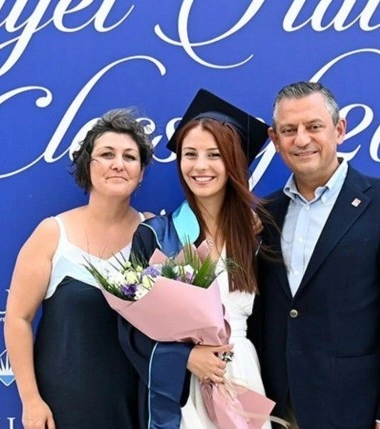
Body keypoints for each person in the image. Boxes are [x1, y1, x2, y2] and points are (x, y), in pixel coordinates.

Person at [252, 82, 380, 429]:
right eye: (289, 130)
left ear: (340, 129)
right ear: (274, 139)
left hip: (355, 411)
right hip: (278, 411)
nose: (301, 139)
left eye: (314, 126)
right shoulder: (267, 213)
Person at [123, 89, 273, 428]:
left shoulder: (258, 236)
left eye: (214, 155)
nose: (200, 166)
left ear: (234, 162)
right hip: (182, 390)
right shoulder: (157, 236)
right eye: (190, 154)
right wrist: (186, 356)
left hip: (242, 380)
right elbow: (130, 327)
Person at [4, 108, 154, 429]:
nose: (118, 164)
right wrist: (31, 400)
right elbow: (17, 319)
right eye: (107, 154)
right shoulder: (52, 234)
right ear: (88, 165)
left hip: (139, 407)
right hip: (64, 408)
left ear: (141, 172)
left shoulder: (155, 233)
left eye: (130, 157)